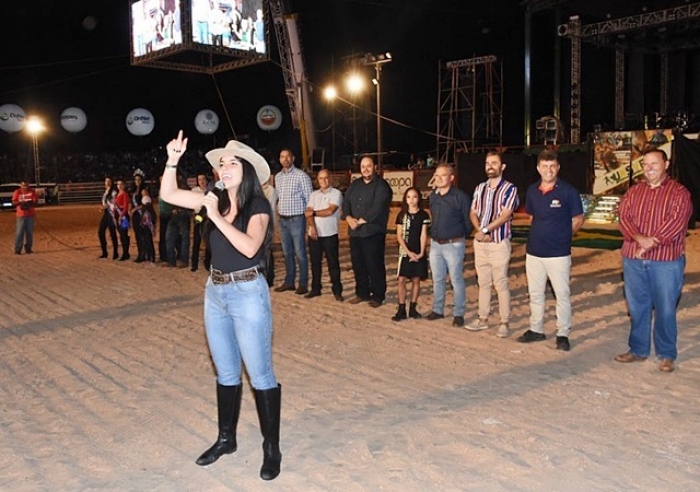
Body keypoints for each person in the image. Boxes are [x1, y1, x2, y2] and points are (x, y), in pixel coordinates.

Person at [160, 131, 282, 481]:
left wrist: (214, 216)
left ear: (246, 170)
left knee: (260, 375)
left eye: (231, 162)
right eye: (221, 163)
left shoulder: (257, 206)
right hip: (215, 293)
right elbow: (168, 194)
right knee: (226, 372)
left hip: (248, 294)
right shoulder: (213, 197)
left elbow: (249, 248)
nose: (224, 167)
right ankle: (226, 439)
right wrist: (172, 160)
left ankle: (271, 448)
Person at [614, 148, 692, 373]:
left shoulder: (679, 193)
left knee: (666, 308)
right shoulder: (633, 192)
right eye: (645, 164)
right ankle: (638, 349)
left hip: (666, 261)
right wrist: (639, 239)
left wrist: (651, 242)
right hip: (633, 260)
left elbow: (676, 222)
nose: (649, 168)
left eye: (654, 164)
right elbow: (623, 218)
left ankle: (666, 354)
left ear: (666, 164)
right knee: (637, 307)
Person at [516, 149, 584, 351]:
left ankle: (563, 333)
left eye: (552, 166)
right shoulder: (532, 191)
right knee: (535, 293)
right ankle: (536, 329)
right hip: (534, 252)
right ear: (538, 168)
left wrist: (563, 236)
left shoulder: (568, 191)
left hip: (558, 254)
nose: (548, 170)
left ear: (558, 168)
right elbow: (531, 217)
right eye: (544, 166)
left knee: (562, 295)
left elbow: (578, 219)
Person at [465, 151, 520, 337]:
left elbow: (505, 215)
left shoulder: (510, 189)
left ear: (502, 167)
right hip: (481, 243)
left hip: (498, 243)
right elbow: (473, 212)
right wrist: (480, 231)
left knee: (501, 283)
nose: (490, 166)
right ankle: (483, 319)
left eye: (494, 163)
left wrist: (486, 231)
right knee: (483, 283)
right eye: (488, 163)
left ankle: (504, 322)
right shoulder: (479, 188)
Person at [425, 164, 473, 327]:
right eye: (436, 175)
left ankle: (458, 313)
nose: (438, 179)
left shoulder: (461, 197)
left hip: (454, 244)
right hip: (435, 244)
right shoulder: (433, 196)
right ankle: (438, 309)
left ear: (451, 178)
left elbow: (468, 222)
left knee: (456, 279)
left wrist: (459, 236)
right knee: (437, 279)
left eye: (442, 176)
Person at [342, 155, 393, 307]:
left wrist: (361, 221)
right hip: (355, 232)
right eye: (363, 166)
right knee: (358, 264)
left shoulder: (382, 186)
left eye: (368, 166)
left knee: (374, 264)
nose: (365, 169)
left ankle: (378, 296)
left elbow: (377, 207)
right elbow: (346, 202)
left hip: (373, 232)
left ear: (375, 167)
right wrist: (349, 218)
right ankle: (362, 293)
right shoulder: (355, 184)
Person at [273, 148, 312, 295]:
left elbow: (309, 200)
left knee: (300, 253)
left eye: (288, 156)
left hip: (297, 219)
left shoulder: (302, 176)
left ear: (293, 158)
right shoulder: (278, 177)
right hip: (283, 220)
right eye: (282, 157)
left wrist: (310, 222)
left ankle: (303, 283)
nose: (285, 159)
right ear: (280, 159)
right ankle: (289, 282)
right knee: (287, 253)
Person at [304, 169, 344, 301]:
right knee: (315, 263)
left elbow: (330, 211)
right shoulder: (313, 195)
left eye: (326, 177)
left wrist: (313, 213)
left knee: (333, 263)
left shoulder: (336, 193)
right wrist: (312, 227)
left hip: (330, 234)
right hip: (314, 234)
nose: (324, 180)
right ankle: (316, 289)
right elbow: (307, 213)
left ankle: (337, 290)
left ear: (330, 179)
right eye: (321, 178)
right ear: (318, 180)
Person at [392, 187, 430, 321]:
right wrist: (408, 252)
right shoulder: (401, 215)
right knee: (401, 279)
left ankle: (413, 308)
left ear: (419, 198)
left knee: (416, 279)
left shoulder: (424, 215)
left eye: (414, 197)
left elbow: (423, 235)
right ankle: (401, 309)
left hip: (418, 251)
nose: (411, 200)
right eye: (408, 197)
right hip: (405, 252)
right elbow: (399, 236)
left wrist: (420, 252)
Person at [191, 173, 213, 272]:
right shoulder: (194, 191)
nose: (202, 181)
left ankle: (208, 263)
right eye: (199, 179)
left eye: (203, 179)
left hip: (209, 217)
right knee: (197, 240)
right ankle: (194, 264)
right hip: (198, 216)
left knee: (208, 241)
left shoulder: (211, 191)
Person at [12, 181, 38, 255]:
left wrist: (30, 203)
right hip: (21, 215)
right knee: (19, 232)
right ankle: (18, 249)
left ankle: (28, 248)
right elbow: (13, 202)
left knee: (29, 232)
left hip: (30, 214)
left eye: (26, 185)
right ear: (21, 185)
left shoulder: (32, 192)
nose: (25, 187)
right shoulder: (17, 192)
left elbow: (36, 202)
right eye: (23, 185)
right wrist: (21, 203)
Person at [98, 177, 119, 260]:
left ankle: (115, 252)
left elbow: (113, 203)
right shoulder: (106, 192)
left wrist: (104, 207)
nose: (107, 182)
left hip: (112, 214)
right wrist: (102, 207)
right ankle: (104, 252)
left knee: (112, 233)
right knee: (101, 231)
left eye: (109, 181)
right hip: (106, 213)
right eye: (106, 181)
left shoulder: (113, 192)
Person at [114, 179, 132, 261]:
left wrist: (121, 216)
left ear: (124, 185)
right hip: (118, 214)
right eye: (118, 184)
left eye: (121, 184)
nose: (119, 186)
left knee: (124, 235)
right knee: (122, 235)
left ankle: (126, 253)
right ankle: (126, 253)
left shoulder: (125, 194)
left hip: (123, 215)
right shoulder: (117, 194)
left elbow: (125, 207)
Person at [138, 192, 157, 266]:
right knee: (147, 242)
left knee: (149, 242)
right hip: (145, 228)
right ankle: (149, 256)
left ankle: (151, 257)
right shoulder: (148, 212)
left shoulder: (148, 212)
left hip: (147, 229)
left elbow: (151, 222)